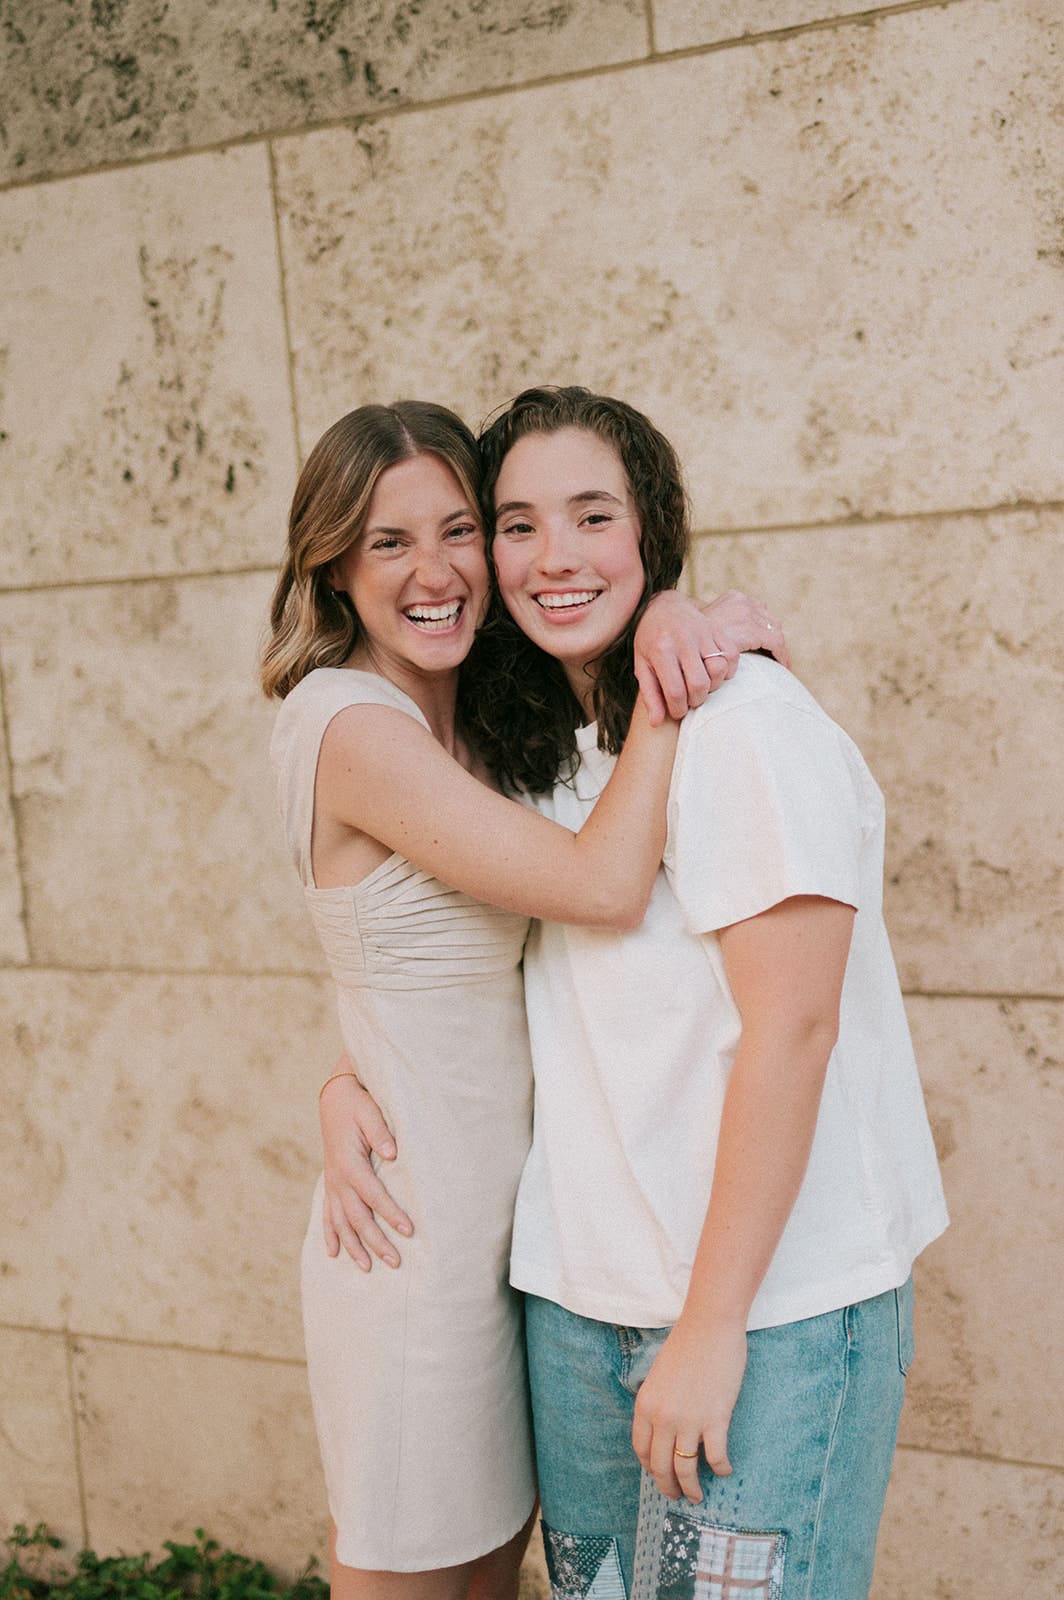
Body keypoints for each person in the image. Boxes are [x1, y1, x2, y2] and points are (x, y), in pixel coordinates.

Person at [336, 387, 949, 1600]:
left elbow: (794, 1029)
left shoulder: (746, 724)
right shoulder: (534, 754)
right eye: (516, 524)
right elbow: (458, 967)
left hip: (765, 1317)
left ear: (650, 530)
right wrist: (341, 1077)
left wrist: (708, 1328)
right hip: (577, 1309)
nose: (554, 557)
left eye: (592, 516)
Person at [260, 399, 784, 1600]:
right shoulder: (348, 722)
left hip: (508, 1245)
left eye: (458, 530)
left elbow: (422, 963)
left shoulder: (481, 725)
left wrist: (662, 611)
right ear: (333, 565)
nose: (435, 571)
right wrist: (670, 674)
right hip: (410, 1249)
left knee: (490, 1575)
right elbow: (599, 887)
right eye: (389, 541)